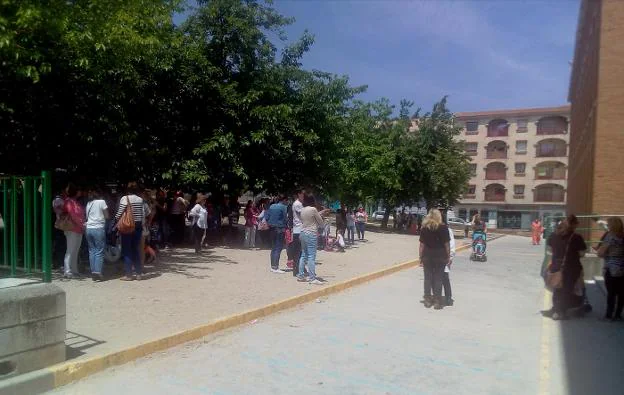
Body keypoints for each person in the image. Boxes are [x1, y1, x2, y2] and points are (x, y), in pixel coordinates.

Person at [545, 215, 587, 320]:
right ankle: (561, 312)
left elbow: (550, 250)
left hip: (555, 267)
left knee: (557, 289)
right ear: (574, 225)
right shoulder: (576, 237)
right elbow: (582, 253)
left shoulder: (553, 235)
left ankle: (555, 309)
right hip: (571, 268)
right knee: (567, 290)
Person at [419, 209, 451, 310]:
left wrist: (420, 257)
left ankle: (428, 300)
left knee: (427, 278)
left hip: (427, 255)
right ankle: (437, 301)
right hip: (440, 256)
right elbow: (447, 244)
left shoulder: (424, 228)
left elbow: (421, 245)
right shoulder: (443, 227)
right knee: (438, 278)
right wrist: (448, 256)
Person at [115, 182, 145, 281]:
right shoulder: (140, 199)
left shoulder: (124, 198)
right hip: (138, 226)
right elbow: (142, 214)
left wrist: (115, 221)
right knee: (135, 249)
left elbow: (120, 212)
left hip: (127, 226)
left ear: (127, 189)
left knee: (127, 250)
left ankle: (128, 275)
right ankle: (139, 273)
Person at [596, 217, 624, 321]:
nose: (607, 226)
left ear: (612, 226)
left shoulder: (610, 237)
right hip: (622, 267)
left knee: (611, 293)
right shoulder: (622, 236)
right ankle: (618, 314)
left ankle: (609, 315)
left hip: (611, 268)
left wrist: (601, 252)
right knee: (621, 293)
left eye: (608, 225)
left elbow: (600, 253)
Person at [297, 194, 327, 285]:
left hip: (302, 232)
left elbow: (308, 218)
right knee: (311, 256)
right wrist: (322, 217)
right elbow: (320, 222)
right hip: (311, 233)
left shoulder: (302, 210)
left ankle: (301, 275)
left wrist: (319, 213)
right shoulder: (313, 209)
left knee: (303, 255)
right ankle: (312, 277)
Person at [61, 184, 85, 279]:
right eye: (78, 190)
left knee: (75, 251)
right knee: (70, 250)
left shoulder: (75, 201)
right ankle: (67, 271)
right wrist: (81, 224)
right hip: (72, 229)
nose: (80, 192)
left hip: (78, 229)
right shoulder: (68, 202)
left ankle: (74, 270)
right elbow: (72, 215)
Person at [85, 187, 109, 281]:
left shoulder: (88, 203)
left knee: (92, 250)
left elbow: (87, 216)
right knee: (99, 250)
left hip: (89, 228)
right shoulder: (101, 202)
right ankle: (97, 272)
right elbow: (106, 215)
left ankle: (93, 271)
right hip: (98, 228)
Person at [265, 195, 289, 273]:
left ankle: (272, 266)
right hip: (280, 228)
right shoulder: (283, 207)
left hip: (271, 228)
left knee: (273, 247)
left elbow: (267, 216)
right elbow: (285, 218)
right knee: (278, 248)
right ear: (284, 200)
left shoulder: (272, 206)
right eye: (287, 201)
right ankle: (276, 267)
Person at [288, 190, 305, 276]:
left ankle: (300, 268)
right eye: (303, 194)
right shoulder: (297, 204)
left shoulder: (299, 204)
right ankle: (297, 270)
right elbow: (303, 215)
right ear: (299, 194)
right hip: (298, 230)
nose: (304, 195)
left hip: (299, 229)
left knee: (301, 251)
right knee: (298, 251)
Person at [442, 225, 456, 306]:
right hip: (434, 257)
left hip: (444, 257)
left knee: (445, 277)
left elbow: (451, 244)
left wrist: (450, 257)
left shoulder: (448, 230)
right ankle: (436, 296)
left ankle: (448, 297)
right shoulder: (431, 228)